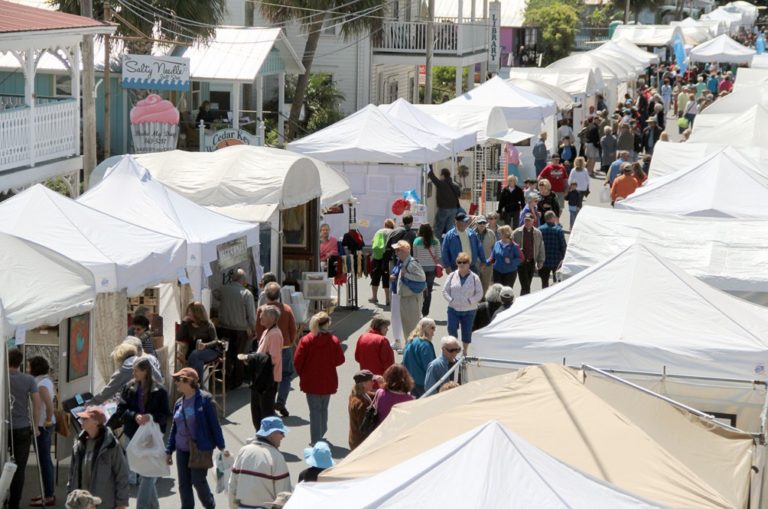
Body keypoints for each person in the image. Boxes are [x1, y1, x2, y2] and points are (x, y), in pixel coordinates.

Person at [165, 367, 229, 509]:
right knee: (184, 484)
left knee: (198, 481)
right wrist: (169, 450)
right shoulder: (178, 403)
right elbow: (174, 428)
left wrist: (222, 447)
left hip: (200, 448)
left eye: (178, 379)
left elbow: (215, 425)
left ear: (189, 381)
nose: (176, 383)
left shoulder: (205, 400)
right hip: (182, 449)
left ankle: (210, 506)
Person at [111, 358, 170, 509]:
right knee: (145, 473)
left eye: (136, 370)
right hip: (133, 435)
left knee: (147, 474)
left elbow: (165, 415)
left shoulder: (160, 390)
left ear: (145, 372)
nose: (133, 373)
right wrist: (134, 416)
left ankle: (141, 507)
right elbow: (120, 411)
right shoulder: (129, 388)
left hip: (151, 437)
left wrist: (150, 417)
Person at [294, 312, 345, 445]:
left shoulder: (306, 340)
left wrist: (303, 374)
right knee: (324, 408)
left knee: (314, 410)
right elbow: (340, 360)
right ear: (327, 324)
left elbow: (297, 361)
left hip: (310, 381)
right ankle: (321, 431)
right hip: (328, 379)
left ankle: (316, 438)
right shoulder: (333, 341)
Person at [67, 406, 129, 509]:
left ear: (96, 423)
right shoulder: (78, 443)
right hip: (81, 504)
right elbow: (72, 473)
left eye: (86, 418)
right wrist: (70, 495)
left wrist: (121, 504)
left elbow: (122, 475)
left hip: (104, 504)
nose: (82, 420)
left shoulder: (111, 445)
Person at [255, 282, 298, 418]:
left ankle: (270, 403)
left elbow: (258, 328)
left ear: (266, 295)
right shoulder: (286, 309)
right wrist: (290, 341)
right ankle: (281, 402)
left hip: (268, 349)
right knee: (286, 376)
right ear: (279, 295)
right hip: (285, 347)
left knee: (270, 376)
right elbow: (293, 328)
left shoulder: (262, 309)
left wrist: (260, 342)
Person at [229, 417, 292, 507]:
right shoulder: (277, 457)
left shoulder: (243, 451)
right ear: (271, 434)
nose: (283, 436)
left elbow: (232, 485)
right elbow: (283, 495)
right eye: (281, 432)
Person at [7, 348, 40, 509]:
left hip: (3, 427)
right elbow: (36, 403)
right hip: (22, 427)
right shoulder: (28, 380)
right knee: (19, 468)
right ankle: (14, 504)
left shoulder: (2, 377)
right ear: (20, 362)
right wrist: (35, 424)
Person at [241, 305, 283, 429]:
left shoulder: (274, 334)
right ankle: (261, 437)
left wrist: (252, 358)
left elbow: (273, 358)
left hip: (268, 379)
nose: (259, 317)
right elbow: (263, 353)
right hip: (261, 377)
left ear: (272, 318)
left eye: (263, 315)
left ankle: (267, 439)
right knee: (256, 410)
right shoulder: (267, 331)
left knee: (265, 412)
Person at [216, 268, 257, 389]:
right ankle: (237, 381)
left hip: (224, 327)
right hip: (240, 329)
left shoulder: (223, 289)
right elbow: (251, 315)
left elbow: (214, 294)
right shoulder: (246, 293)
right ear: (243, 280)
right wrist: (254, 329)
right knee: (239, 354)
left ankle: (227, 381)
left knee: (227, 355)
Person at [91, 338, 164, 404]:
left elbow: (107, 391)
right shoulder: (148, 361)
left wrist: (91, 402)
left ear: (120, 358)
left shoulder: (123, 371)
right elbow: (160, 380)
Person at [442, 252, 483, 355]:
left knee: (466, 332)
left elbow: (480, 293)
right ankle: (454, 350)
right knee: (451, 330)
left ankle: (465, 351)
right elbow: (444, 290)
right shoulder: (452, 275)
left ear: (469, 263)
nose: (461, 264)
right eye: (459, 262)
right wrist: (451, 300)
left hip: (469, 310)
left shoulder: (474, 277)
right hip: (453, 309)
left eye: (464, 262)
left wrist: (470, 301)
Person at [28, 356, 55, 507]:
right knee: (45, 461)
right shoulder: (46, 380)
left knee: (45, 461)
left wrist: (46, 421)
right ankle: (47, 492)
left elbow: (49, 405)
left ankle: (49, 495)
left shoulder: (41, 384)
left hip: (42, 426)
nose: (27, 369)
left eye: (29, 366)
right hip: (44, 425)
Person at [391, 239, 426, 351]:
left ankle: (412, 351)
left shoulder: (412, 263)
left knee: (412, 328)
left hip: (411, 299)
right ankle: (409, 349)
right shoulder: (402, 262)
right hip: (405, 298)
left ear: (405, 251)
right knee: (407, 327)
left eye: (398, 250)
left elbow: (421, 279)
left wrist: (406, 275)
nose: (396, 253)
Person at [177, 301, 221, 383]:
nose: (188, 313)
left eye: (190, 311)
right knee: (197, 359)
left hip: (210, 351)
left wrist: (205, 345)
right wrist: (183, 322)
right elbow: (179, 337)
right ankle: (198, 385)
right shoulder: (188, 324)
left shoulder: (208, 324)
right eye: (188, 311)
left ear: (197, 312)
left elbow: (216, 341)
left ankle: (194, 384)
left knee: (195, 354)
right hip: (194, 353)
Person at [402, 318, 437, 397]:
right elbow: (429, 367)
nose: (433, 332)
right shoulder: (425, 345)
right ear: (424, 327)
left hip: (411, 381)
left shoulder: (410, 341)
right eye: (432, 328)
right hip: (423, 383)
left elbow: (404, 361)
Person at [411, 223, 441, 316]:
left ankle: (418, 310)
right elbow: (439, 256)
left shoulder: (416, 241)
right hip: (431, 269)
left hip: (419, 269)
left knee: (419, 290)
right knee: (429, 290)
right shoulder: (435, 241)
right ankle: (425, 312)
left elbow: (414, 257)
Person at [513, 214, 545, 296]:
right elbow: (511, 247)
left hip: (531, 262)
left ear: (533, 221)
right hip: (521, 263)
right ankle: (525, 303)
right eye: (526, 220)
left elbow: (541, 247)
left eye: (529, 220)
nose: (527, 222)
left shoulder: (538, 233)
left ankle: (522, 301)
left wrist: (540, 261)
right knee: (526, 286)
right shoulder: (517, 232)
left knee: (527, 285)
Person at [348, 370, 379, 450]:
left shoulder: (358, 394)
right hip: (361, 443)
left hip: (355, 440)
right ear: (363, 383)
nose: (373, 383)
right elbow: (365, 428)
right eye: (371, 381)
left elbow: (377, 395)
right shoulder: (361, 404)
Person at [427, 167, 461, 238]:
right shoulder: (455, 186)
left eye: (440, 175)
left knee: (438, 229)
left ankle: (437, 246)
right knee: (450, 230)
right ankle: (448, 246)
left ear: (443, 175)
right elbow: (459, 194)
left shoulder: (441, 184)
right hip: (454, 209)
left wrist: (429, 165)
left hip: (444, 209)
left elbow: (432, 177)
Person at [369, 218, 396, 305]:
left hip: (377, 256)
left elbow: (373, 242)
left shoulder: (379, 231)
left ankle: (374, 297)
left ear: (384, 225)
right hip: (388, 257)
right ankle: (387, 299)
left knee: (375, 276)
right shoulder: (393, 232)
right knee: (386, 277)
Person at [538, 211, 567, 288]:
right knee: (557, 283)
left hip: (544, 261)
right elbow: (563, 246)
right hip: (556, 261)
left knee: (544, 282)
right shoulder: (558, 230)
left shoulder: (540, 230)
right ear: (552, 218)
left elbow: (537, 245)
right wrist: (564, 258)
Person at [474, 216, 497, 293]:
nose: (482, 224)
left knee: (486, 285)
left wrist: (490, 261)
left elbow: (495, 249)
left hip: (488, 263)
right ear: (476, 224)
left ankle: (484, 301)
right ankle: (476, 302)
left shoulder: (491, 233)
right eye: (480, 222)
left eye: (484, 222)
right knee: (475, 285)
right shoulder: (471, 233)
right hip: (475, 263)